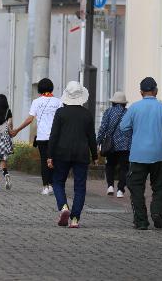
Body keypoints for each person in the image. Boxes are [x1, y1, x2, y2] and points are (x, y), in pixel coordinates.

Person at [120, 77, 162, 230]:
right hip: (158, 155)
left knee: (136, 187)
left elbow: (123, 127)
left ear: (141, 92)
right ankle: (157, 213)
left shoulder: (134, 108)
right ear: (156, 90)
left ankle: (141, 221)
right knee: (160, 187)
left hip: (138, 155)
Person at [48, 81, 98, 228]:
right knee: (80, 187)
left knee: (57, 181)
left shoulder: (60, 113)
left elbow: (54, 135)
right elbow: (91, 137)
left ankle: (63, 207)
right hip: (81, 154)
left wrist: (49, 156)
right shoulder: (87, 114)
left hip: (61, 153)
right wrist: (95, 156)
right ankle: (75, 219)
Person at [15, 78, 62, 195]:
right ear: (51, 88)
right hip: (55, 137)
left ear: (39, 89)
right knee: (54, 161)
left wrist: (17, 129)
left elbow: (30, 119)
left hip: (42, 137)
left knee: (44, 161)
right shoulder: (58, 102)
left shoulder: (36, 102)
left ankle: (45, 187)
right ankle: (52, 185)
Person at [96, 91, 132, 198]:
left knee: (110, 165)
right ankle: (120, 190)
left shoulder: (108, 112)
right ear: (124, 103)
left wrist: (98, 141)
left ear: (113, 102)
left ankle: (110, 186)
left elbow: (103, 128)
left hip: (111, 145)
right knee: (123, 167)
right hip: (125, 145)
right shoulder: (128, 112)